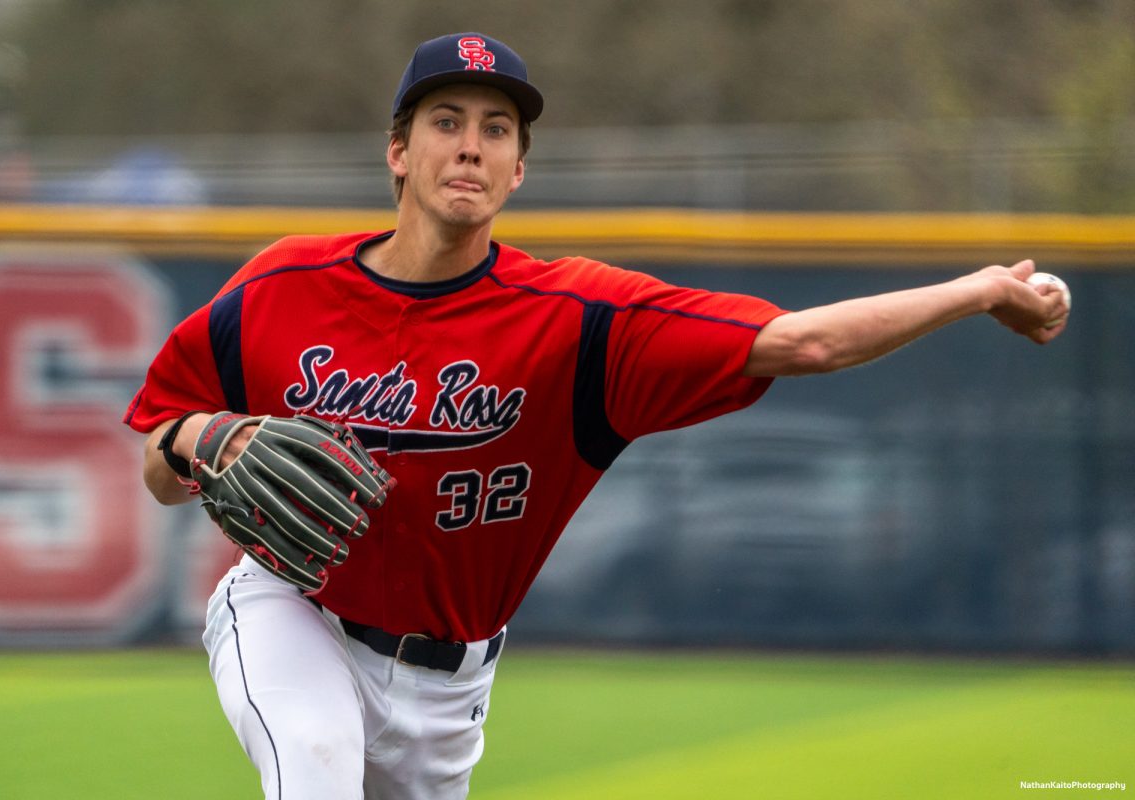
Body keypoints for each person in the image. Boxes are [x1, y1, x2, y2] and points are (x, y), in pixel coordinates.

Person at [124, 32, 1069, 800]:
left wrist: (980, 289)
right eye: (445, 121)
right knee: (314, 771)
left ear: (519, 170)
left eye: (497, 131)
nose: (470, 145)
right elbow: (161, 459)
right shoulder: (284, 284)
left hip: (448, 691)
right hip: (295, 613)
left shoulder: (578, 320)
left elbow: (803, 342)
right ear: (398, 152)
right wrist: (203, 436)